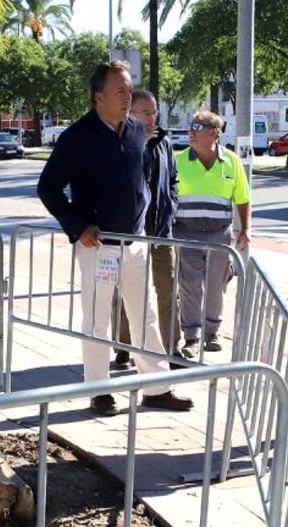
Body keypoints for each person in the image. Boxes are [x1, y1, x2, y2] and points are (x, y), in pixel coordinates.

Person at [37, 60, 192, 416]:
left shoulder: (136, 130)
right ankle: (99, 391)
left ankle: (156, 388)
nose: (128, 97)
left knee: (145, 315)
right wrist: (78, 226)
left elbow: (145, 179)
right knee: (97, 321)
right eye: (120, 91)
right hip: (98, 247)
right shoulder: (76, 137)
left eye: (129, 89)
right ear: (98, 96)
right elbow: (48, 188)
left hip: (135, 242)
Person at [113, 89, 182, 369]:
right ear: (130, 114)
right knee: (127, 292)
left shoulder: (165, 143)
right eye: (147, 112)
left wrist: (171, 206)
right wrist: (141, 145)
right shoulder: (122, 142)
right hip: (130, 233)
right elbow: (123, 178)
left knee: (167, 290)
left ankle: (171, 348)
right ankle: (123, 348)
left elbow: (173, 179)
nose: (153, 118)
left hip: (160, 231)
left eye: (155, 112)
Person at [174, 110, 251, 358]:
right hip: (186, 232)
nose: (191, 132)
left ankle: (212, 332)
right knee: (190, 285)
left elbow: (243, 198)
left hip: (220, 234)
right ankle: (192, 337)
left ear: (214, 133)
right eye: (191, 127)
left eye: (198, 127)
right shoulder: (179, 161)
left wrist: (245, 230)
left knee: (217, 284)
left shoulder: (232, 162)